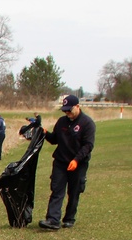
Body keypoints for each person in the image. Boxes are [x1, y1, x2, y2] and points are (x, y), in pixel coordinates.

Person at [39, 94, 96, 230]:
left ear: (77, 106)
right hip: (60, 162)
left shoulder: (87, 123)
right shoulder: (61, 122)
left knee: (74, 191)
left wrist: (76, 160)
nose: (67, 113)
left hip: (78, 163)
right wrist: (45, 133)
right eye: (65, 110)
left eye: (69, 110)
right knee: (57, 189)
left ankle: (69, 218)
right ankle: (53, 220)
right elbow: (54, 140)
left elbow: (88, 145)